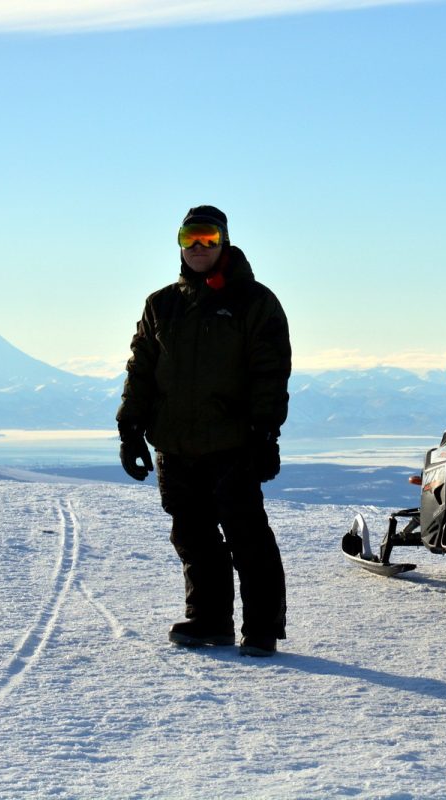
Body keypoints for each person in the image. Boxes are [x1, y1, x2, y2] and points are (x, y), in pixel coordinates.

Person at [116, 205, 291, 656]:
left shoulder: (254, 302)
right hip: (174, 446)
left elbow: (270, 373)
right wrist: (130, 429)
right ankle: (209, 619)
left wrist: (265, 434)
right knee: (192, 537)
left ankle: (262, 628)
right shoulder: (162, 305)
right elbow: (141, 371)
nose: (198, 248)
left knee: (247, 536)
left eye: (208, 239)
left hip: (234, 443)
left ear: (224, 242)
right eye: (189, 238)